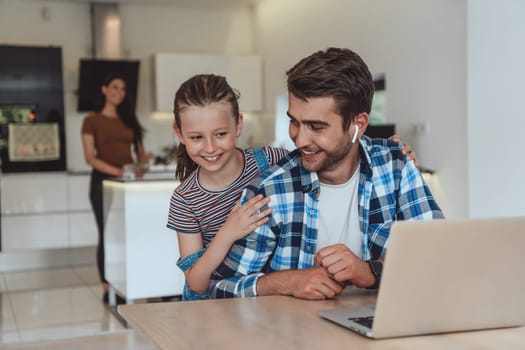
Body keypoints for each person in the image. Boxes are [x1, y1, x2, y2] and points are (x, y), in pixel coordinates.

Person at [209, 47, 444, 300]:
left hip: (381, 327)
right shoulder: (271, 190)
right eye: (294, 122)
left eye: (316, 126)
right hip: (291, 335)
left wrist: (371, 272)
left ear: (358, 124)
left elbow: (441, 260)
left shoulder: (396, 167)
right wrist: (286, 282)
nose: (300, 140)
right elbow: (220, 288)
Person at [167, 74, 288, 300]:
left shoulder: (272, 160)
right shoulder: (185, 199)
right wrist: (228, 232)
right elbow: (196, 283)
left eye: (220, 134)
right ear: (179, 134)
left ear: (238, 124)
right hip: (217, 305)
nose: (210, 148)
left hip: (273, 295)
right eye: (196, 137)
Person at [81, 72, 148, 304]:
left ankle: (128, 281)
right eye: (115, 87)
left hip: (127, 184)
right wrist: (119, 171)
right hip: (103, 182)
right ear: (104, 89)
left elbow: (141, 155)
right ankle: (107, 286)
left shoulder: (130, 120)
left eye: (122, 89)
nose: (119, 92)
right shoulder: (92, 120)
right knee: (107, 233)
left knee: (128, 235)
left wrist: (142, 166)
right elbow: (90, 157)